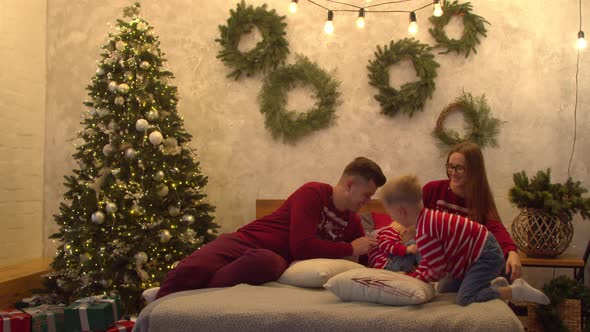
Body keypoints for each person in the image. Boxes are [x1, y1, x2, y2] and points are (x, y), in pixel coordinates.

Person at [156, 157, 386, 299]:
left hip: (274, 258)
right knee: (195, 267)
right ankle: (160, 304)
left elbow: (365, 263)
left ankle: (194, 297)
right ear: (349, 184)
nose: (367, 201)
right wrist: (349, 248)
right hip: (247, 240)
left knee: (265, 262)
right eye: (366, 194)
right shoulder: (314, 192)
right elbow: (302, 246)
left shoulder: (354, 222)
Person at [380, 175, 549, 306]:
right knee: (446, 289)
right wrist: (417, 274)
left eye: (390, 213)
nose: (391, 218)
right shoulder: (427, 219)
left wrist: (413, 278)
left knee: (464, 298)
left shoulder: (426, 231)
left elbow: (437, 270)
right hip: (477, 253)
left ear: (401, 211)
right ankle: (493, 283)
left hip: (484, 255)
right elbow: (430, 262)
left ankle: (513, 291)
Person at [422, 142, 522, 283]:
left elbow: (496, 228)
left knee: (497, 258)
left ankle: (507, 290)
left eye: (459, 168)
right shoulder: (432, 189)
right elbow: (410, 219)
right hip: (437, 257)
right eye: (450, 166)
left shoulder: (481, 198)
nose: (453, 172)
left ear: (474, 170)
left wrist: (512, 252)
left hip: (464, 261)